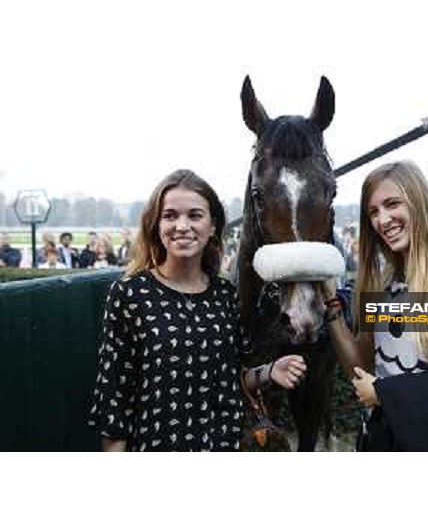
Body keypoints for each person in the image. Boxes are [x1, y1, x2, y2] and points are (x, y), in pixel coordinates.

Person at [89, 169, 306, 452]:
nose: (182, 225)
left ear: (213, 226)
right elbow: (115, 397)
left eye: (194, 215)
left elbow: (233, 377)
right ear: (156, 224)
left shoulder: (225, 294)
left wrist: (269, 371)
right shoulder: (129, 293)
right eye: (170, 216)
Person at [322, 160, 428, 451]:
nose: (382, 219)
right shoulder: (379, 284)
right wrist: (330, 307)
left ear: (419, 202)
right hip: (383, 438)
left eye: (392, 204)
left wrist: (383, 394)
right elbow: (363, 369)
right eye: (373, 212)